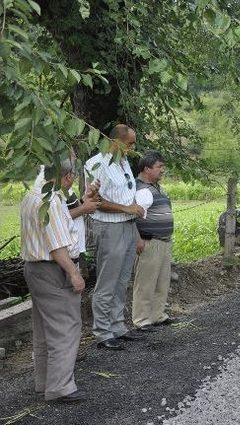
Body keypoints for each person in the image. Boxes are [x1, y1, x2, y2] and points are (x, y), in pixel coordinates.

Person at [21, 159, 98, 402]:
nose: (71, 183)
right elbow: (57, 246)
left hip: (34, 268)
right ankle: (60, 387)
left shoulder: (31, 195)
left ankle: (44, 382)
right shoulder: (50, 200)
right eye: (71, 178)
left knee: (44, 330)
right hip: (54, 269)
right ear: (66, 177)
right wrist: (74, 273)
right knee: (66, 327)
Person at [84, 124, 144, 350]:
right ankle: (102, 331)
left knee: (122, 279)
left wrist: (134, 209)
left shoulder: (124, 161)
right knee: (107, 281)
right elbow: (96, 201)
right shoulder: (96, 164)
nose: (132, 147)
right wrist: (126, 209)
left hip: (128, 226)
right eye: (129, 143)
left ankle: (118, 326)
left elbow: (126, 192)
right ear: (115, 141)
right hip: (109, 228)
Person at [132, 151, 176, 330]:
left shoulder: (158, 187)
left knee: (162, 281)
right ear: (147, 168)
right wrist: (137, 238)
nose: (162, 170)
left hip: (164, 241)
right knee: (145, 282)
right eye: (159, 167)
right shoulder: (136, 187)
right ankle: (141, 320)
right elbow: (130, 216)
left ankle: (158, 315)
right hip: (149, 241)